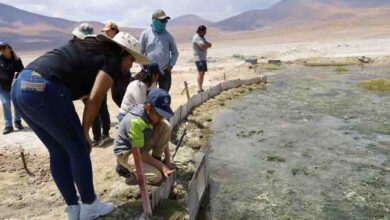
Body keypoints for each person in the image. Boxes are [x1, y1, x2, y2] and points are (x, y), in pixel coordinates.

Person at [11, 32, 149, 220]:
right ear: (123, 52)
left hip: (21, 86)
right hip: (45, 88)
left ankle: (73, 208)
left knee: (58, 150)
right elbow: (94, 100)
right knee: (79, 149)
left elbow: (83, 88)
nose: (131, 65)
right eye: (131, 59)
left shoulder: (90, 47)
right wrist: (85, 132)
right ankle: (90, 204)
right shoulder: (112, 60)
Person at [114, 88, 175, 185]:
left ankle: (156, 159)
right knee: (157, 177)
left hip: (141, 146)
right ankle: (127, 170)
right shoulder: (136, 122)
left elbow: (164, 137)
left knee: (165, 126)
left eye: (163, 114)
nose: (161, 117)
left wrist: (167, 160)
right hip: (129, 152)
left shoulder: (152, 116)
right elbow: (139, 153)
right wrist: (161, 167)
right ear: (148, 107)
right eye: (159, 114)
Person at [139, 9, 179, 92]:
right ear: (154, 20)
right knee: (147, 95)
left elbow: (175, 53)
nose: (164, 22)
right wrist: (143, 66)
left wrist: (170, 66)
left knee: (163, 95)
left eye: (165, 20)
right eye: (162, 20)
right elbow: (140, 51)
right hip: (149, 71)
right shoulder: (145, 34)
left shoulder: (168, 36)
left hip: (164, 71)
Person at [0, 41, 24, 134]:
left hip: (15, 85)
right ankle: (8, 125)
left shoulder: (16, 59)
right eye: (0, 48)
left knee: (17, 104)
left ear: (9, 48)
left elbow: (21, 72)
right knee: (6, 104)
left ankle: (17, 121)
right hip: (2, 86)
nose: (1, 50)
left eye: (3, 48)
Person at [192, 25, 212, 93]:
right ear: (200, 31)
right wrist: (207, 45)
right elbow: (203, 46)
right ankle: (199, 89)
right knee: (200, 72)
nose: (205, 33)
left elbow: (210, 44)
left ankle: (201, 88)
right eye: (204, 31)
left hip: (203, 58)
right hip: (198, 58)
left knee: (203, 73)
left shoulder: (203, 37)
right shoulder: (196, 37)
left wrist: (207, 45)